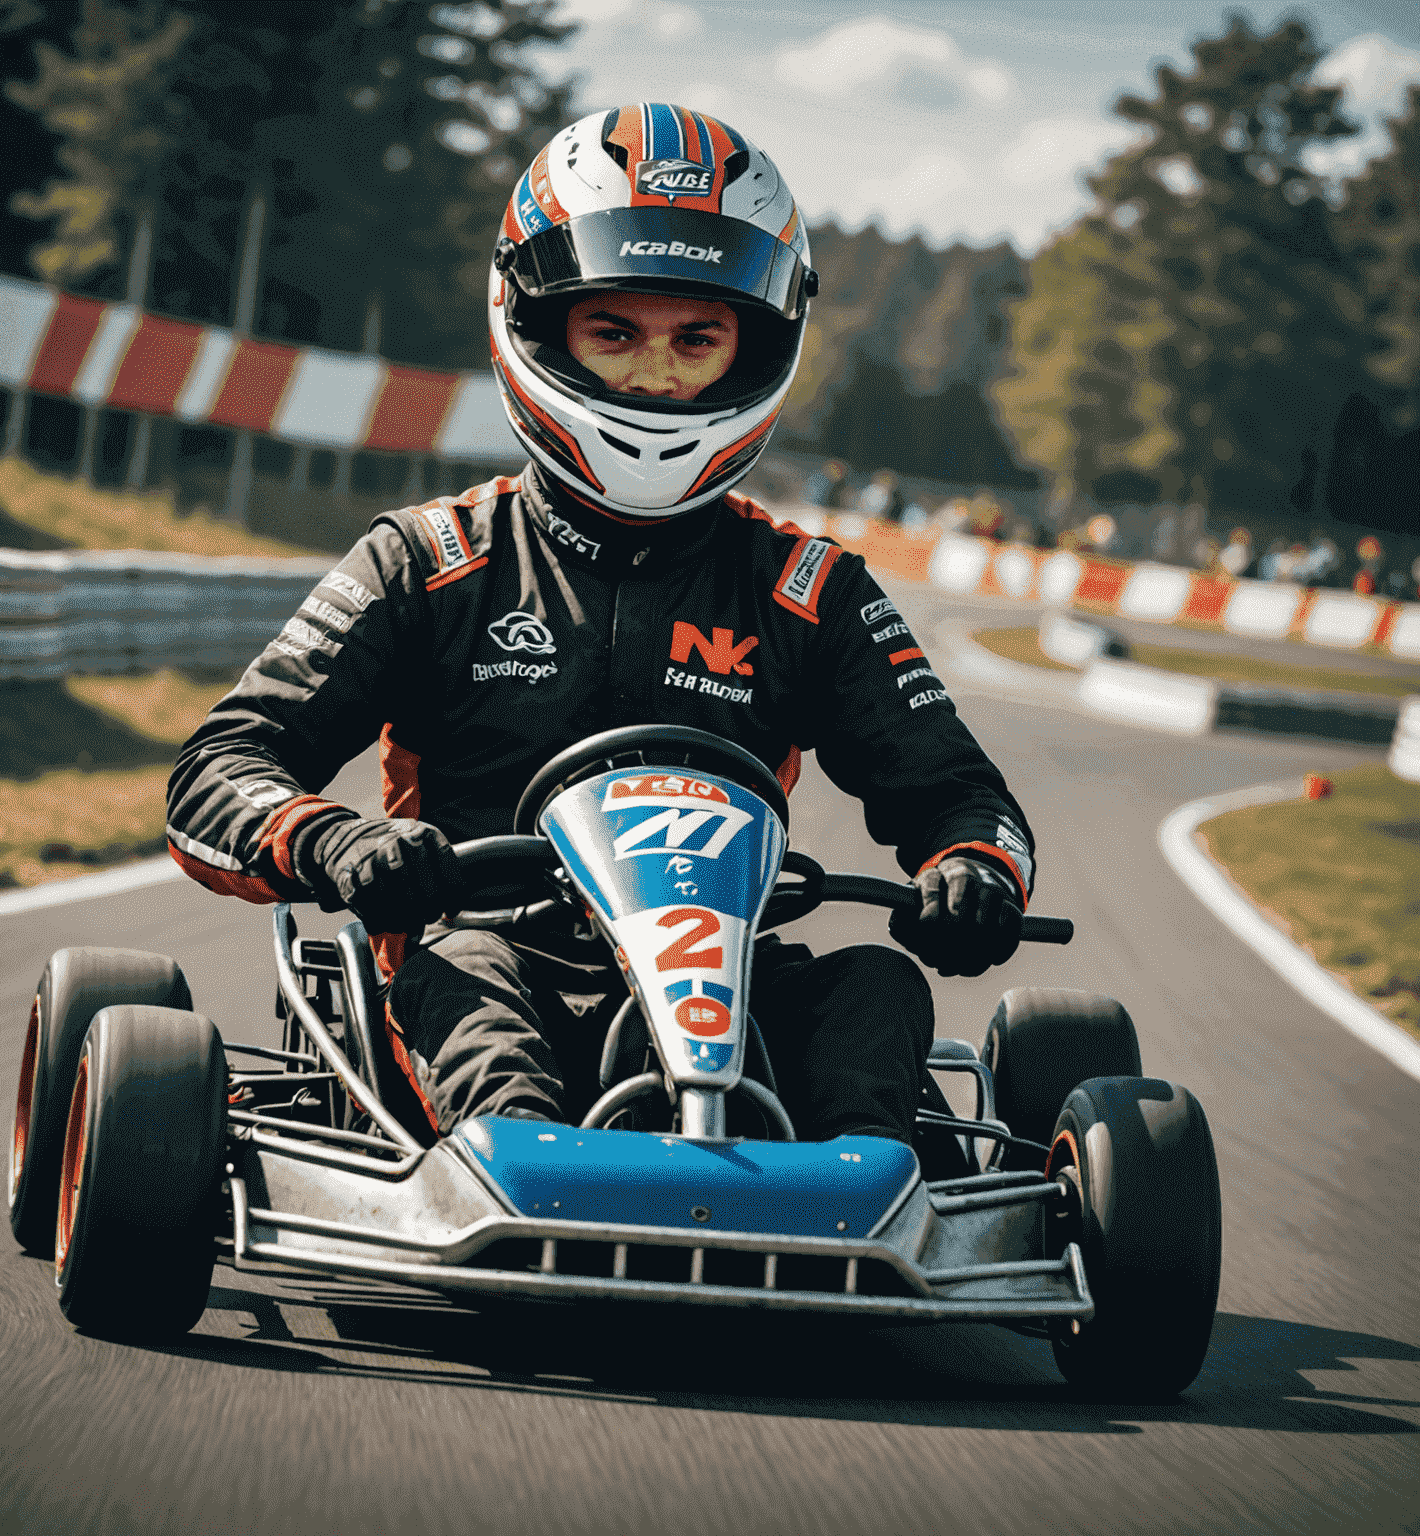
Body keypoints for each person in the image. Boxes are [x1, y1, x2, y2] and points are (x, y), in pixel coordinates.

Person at [166, 103, 1035, 1149]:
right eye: (615, 333)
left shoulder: (810, 590)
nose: (655, 378)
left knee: (876, 985)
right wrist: (339, 841)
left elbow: (963, 797)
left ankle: (860, 1188)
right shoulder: (434, 562)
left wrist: (971, 871)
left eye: (696, 340)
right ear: (536, 323)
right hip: (478, 956)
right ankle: (519, 1160)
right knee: (464, 972)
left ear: (754, 347)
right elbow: (220, 768)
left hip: (728, 989)